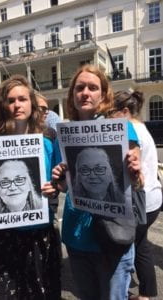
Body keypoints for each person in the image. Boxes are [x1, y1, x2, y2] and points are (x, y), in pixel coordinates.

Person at [44, 64, 143, 300]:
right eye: (80, 88)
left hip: (113, 235)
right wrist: (59, 179)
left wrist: (136, 173)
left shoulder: (123, 130)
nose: (85, 93)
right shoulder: (64, 135)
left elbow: (137, 183)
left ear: (103, 94)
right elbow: (67, 186)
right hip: (77, 237)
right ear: (72, 95)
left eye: (92, 87)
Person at [0, 75, 61, 299]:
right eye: (11, 100)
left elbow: (59, 183)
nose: (17, 105)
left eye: (22, 99)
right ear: (3, 105)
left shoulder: (48, 141)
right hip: (1, 237)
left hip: (40, 235)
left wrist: (55, 188)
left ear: (32, 103)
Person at [111, 90, 163, 300]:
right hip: (152, 197)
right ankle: (147, 293)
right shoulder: (141, 127)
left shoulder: (130, 130)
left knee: (136, 247)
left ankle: (141, 294)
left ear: (124, 111)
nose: (107, 117)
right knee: (141, 245)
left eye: (110, 112)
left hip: (142, 198)